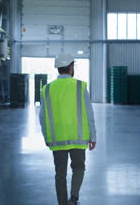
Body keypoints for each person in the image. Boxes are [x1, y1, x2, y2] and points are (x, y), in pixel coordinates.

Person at [39, 53, 97, 205]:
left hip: (57, 139)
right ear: (71, 68)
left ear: (58, 69)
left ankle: (63, 203)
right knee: (78, 168)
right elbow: (89, 113)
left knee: (60, 174)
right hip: (78, 138)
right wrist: (93, 137)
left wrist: (47, 137)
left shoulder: (47, 89)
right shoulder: (80, 86)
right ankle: (74, 198)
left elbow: (42, 117)